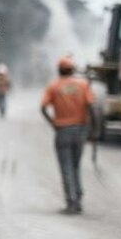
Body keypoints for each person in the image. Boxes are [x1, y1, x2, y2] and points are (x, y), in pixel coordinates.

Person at [40, 56, 96, 215]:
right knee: (76, 166)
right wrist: (93, 130)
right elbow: (91, 108)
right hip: (80, 130)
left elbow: (43, 108)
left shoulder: (54, 86)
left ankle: (71, 202)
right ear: (72, 69)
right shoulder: (83, 85)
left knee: (66, 167)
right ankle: (78, 199)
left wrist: (53, 124)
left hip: (62, 131)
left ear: (59, 70)